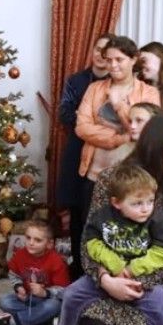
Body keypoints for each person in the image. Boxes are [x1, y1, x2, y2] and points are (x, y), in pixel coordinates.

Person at [44, 115, 163, 325]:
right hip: (106, 275)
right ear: (153, 143)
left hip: (155, 283)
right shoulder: (112, 179)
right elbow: (90, 238)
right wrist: (106, 279)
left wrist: (132, 279)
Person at [49, 164, 163, 325]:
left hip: (143, 281)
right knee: (71, 294)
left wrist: (132, 269)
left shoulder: (157, 218)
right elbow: (91, 243)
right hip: (109, 275)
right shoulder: (103, 216)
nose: (146, 208)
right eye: (137, 203)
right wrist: (114, 266)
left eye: (150, 201)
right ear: (117, 203)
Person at [74, 36, 160, 252]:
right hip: (93, 175)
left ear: (133, 59)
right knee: (92, 234)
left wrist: (118, 106)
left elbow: (145, 132)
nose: (112, 65)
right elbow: (82, 128)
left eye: (119, 60)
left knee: (124, 236)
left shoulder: (149, 93)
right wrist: (120, 138)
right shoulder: (94, 89)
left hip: (131, 180)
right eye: (109, 60)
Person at [56, 33, 113, 278]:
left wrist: (88, 120)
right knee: (77, 211)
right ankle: (79, 268)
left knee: (100, 211)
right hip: (77, 150)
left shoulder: (117, 84)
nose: (101, 55)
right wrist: (89, 121)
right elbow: (65, 113)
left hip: (105, 155)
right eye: (98, 49)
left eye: (107, 51)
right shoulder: (76, 80)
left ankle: (100, 269)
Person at [0, 220, 70, 325]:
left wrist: (45, 293)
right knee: (4, 301)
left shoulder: (56, 260)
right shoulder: (20, 254)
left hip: (48, 300)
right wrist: (18, 287)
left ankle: (13, 321)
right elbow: (13, 274)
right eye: (28, 238)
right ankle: (45, 320)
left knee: (54, 306)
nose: (31, 243)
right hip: (28, 298)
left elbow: (64, 291)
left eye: (38, 240)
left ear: (49, 244)